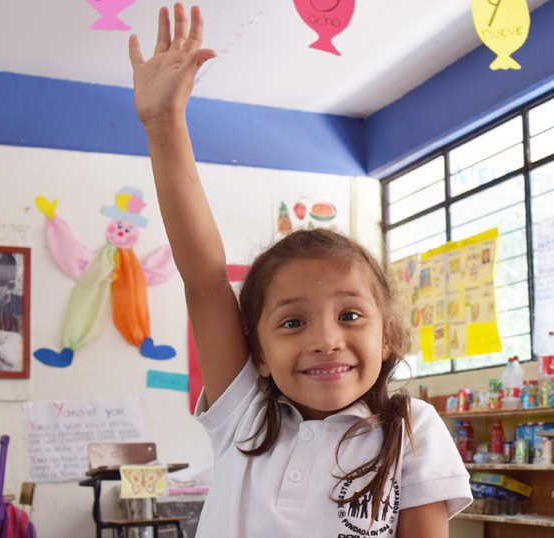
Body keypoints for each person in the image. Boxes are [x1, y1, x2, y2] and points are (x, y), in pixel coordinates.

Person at [128, 5, 472, 537]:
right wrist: (163, 122)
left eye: (350, 315)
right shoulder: (244, 414)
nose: (326, 341)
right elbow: (204, 278)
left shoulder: (411, 428)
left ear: (386, 336)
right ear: (259, 354)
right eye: (292, 322)